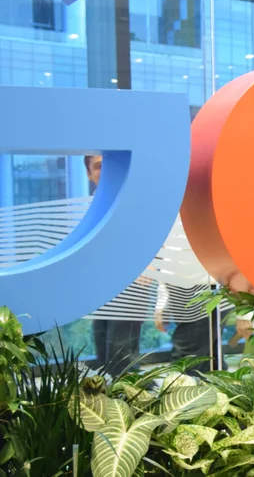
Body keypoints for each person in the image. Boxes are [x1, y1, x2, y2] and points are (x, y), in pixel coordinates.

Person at [84, 154, 148, 375]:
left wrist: (146, 267)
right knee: (104, 356)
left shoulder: (132, 201)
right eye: (99, 166)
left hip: (130, 287)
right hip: (99, 290)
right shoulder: (88, 206)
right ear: (89, 174)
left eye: (108, 164)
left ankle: (132, 405)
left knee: (121, 358)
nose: (105, 170)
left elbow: (151, 238)